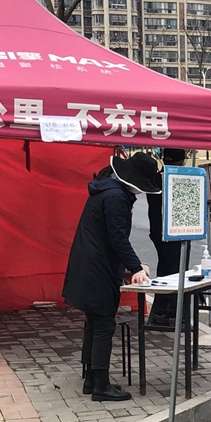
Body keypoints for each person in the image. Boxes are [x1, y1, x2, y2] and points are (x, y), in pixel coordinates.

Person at [63, 153, 158, 402]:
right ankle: (101, 385)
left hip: (90, 265)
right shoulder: (116, 197)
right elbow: (117, 238)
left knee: (94, 323)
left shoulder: (106, 190)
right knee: (104, 324)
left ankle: (91, 379)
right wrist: (136, 268)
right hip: (98, 269)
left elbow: (110, 237)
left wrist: (132, 265)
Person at [147, 148, 186, 326]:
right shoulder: (178, 179)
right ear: (182, 161)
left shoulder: (156, 178)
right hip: (176, 233)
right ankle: (172, 313)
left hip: (157, 231)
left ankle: (160, 311)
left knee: (164, 269)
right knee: (176, 273)